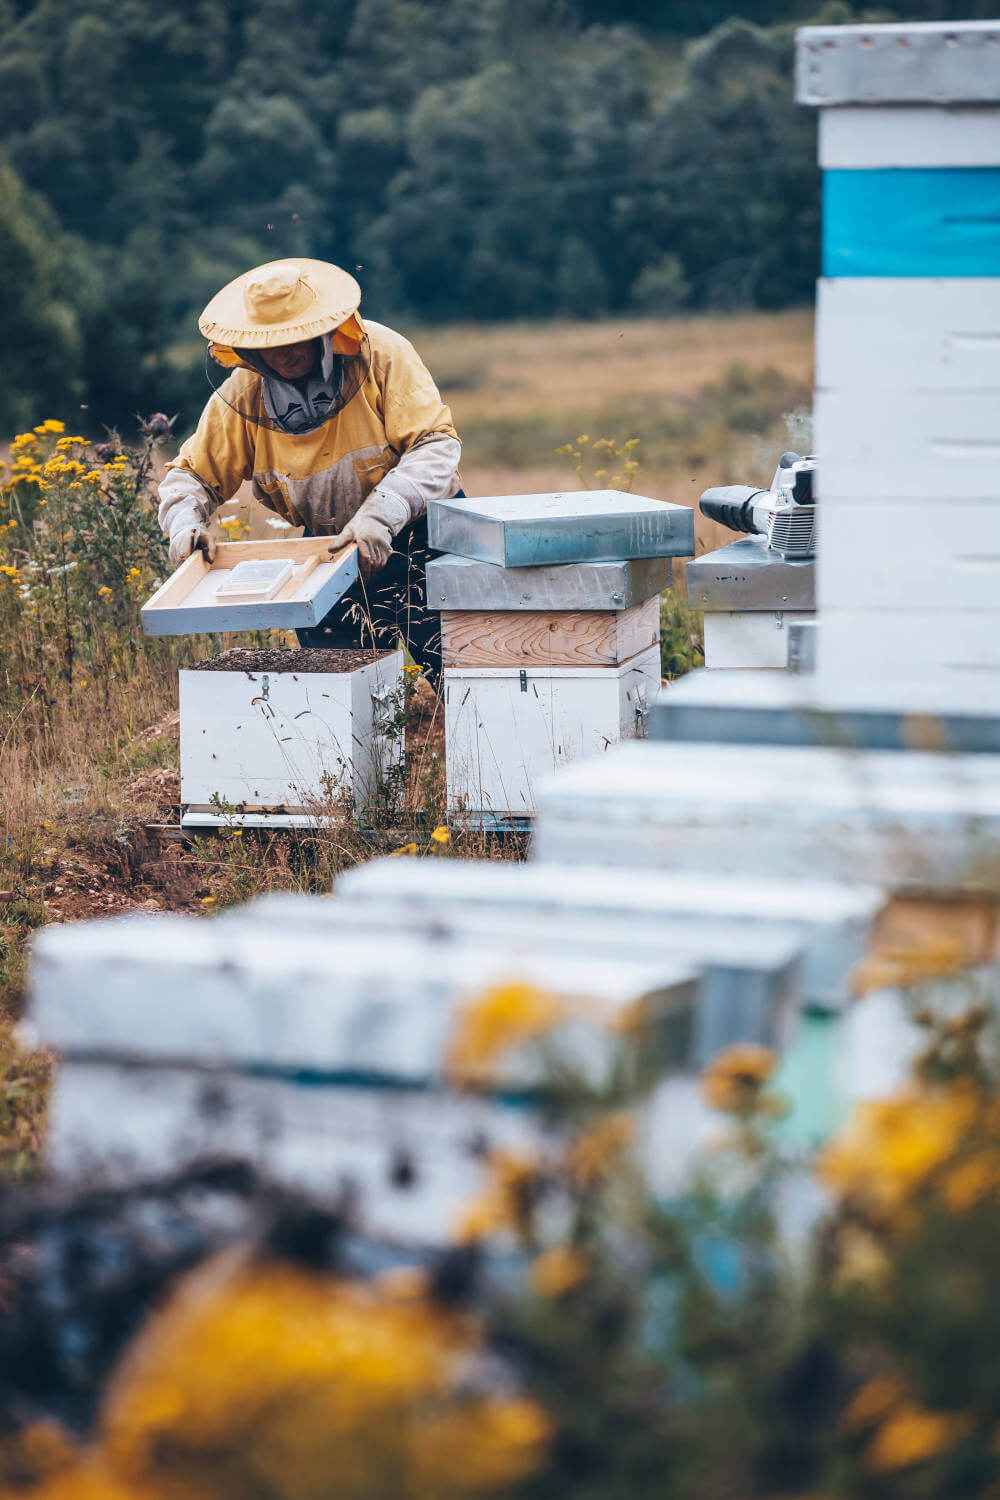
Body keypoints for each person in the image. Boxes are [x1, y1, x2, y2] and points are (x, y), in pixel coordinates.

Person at [157, 258, 461, 676]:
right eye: (270, 343)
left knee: (466, 678)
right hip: (327, 550)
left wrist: (381, 516)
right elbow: (190, 476)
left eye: (295, 338)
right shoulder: (243, 395)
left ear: (323, 329)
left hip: (423, 535)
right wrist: (184, 527)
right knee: (336, 696)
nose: (284, 353)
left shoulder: (383, 354)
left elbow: (435, 446)